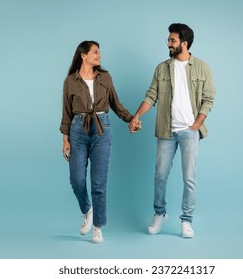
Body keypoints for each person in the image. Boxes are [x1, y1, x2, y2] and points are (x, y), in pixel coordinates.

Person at [129, 23, 216, 238]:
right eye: (169, 40)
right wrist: (137, 116)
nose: (168, 43)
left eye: (172, 40)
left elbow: (208, 98)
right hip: (166, 131)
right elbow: (151, 95)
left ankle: (187, 221)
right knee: (160, 175)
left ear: (184, 43)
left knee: (189, 178)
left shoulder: (202, 67)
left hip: (189, 131)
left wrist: (196, 125)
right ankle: (160, 213)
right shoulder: (162, 68)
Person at [60, 41, 133, 243]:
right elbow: (66, 113)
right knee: (76, 179)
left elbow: (116, 104)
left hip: (102, 128)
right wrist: (65, 139)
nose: (99, 55)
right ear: (83, 55)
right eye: (95, 52)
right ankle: (87, 210)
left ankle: (98, 227)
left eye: (99, 52)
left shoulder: (105, 78)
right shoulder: (70, 82)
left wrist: (131, 119)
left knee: (99, 182)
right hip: (77, 129)